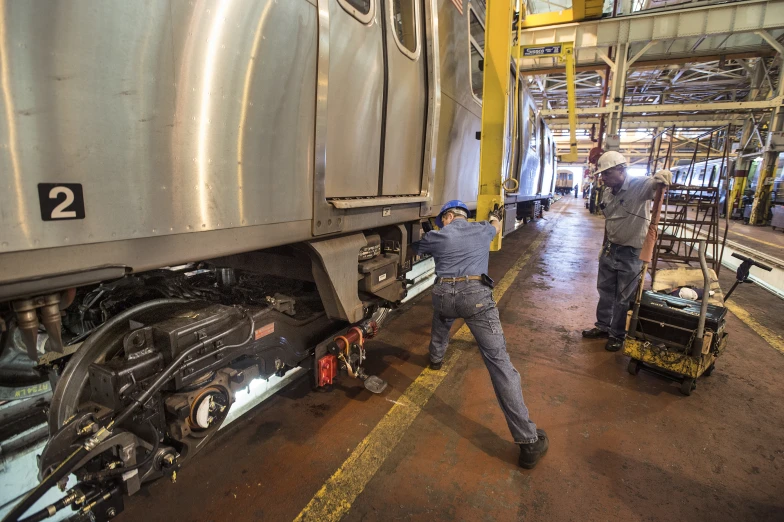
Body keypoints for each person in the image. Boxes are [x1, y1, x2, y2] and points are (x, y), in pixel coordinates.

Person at [412, 200, 548, 470]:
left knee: (442, 318)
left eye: (442, 220)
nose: (442, 224)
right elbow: (497, 226)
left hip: (443, 295)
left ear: (449, 216)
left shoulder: (438, 235)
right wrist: (496, 216)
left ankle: (436, 358)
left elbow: (416, 245)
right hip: (475, 297)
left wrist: (428, 231)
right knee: (500, 364)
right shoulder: (482, 229)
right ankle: (528, 441)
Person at [581, 152, 672, 351]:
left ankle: (617, 335)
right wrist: (604, 247)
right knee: (605, 292)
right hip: (610, 249)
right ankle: (603, 326)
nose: (603, 178)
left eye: (607, 173)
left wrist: (661, 176)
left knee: (623, 298)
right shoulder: (608, 191)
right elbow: (609, 221)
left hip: (631, 252)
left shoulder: (639, 186)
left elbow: (654, 185)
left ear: (622, 169)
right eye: (602, 174)